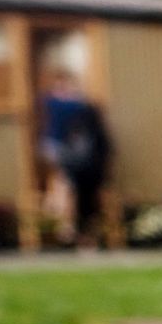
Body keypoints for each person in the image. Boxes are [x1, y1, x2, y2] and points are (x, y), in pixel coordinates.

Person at [40, 70, 111, 247]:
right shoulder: (62, 105)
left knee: (68, 186)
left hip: (79, 163)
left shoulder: (82, 112)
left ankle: (66, 222)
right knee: (63, 182)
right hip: (64, 153)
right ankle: (64, 219)